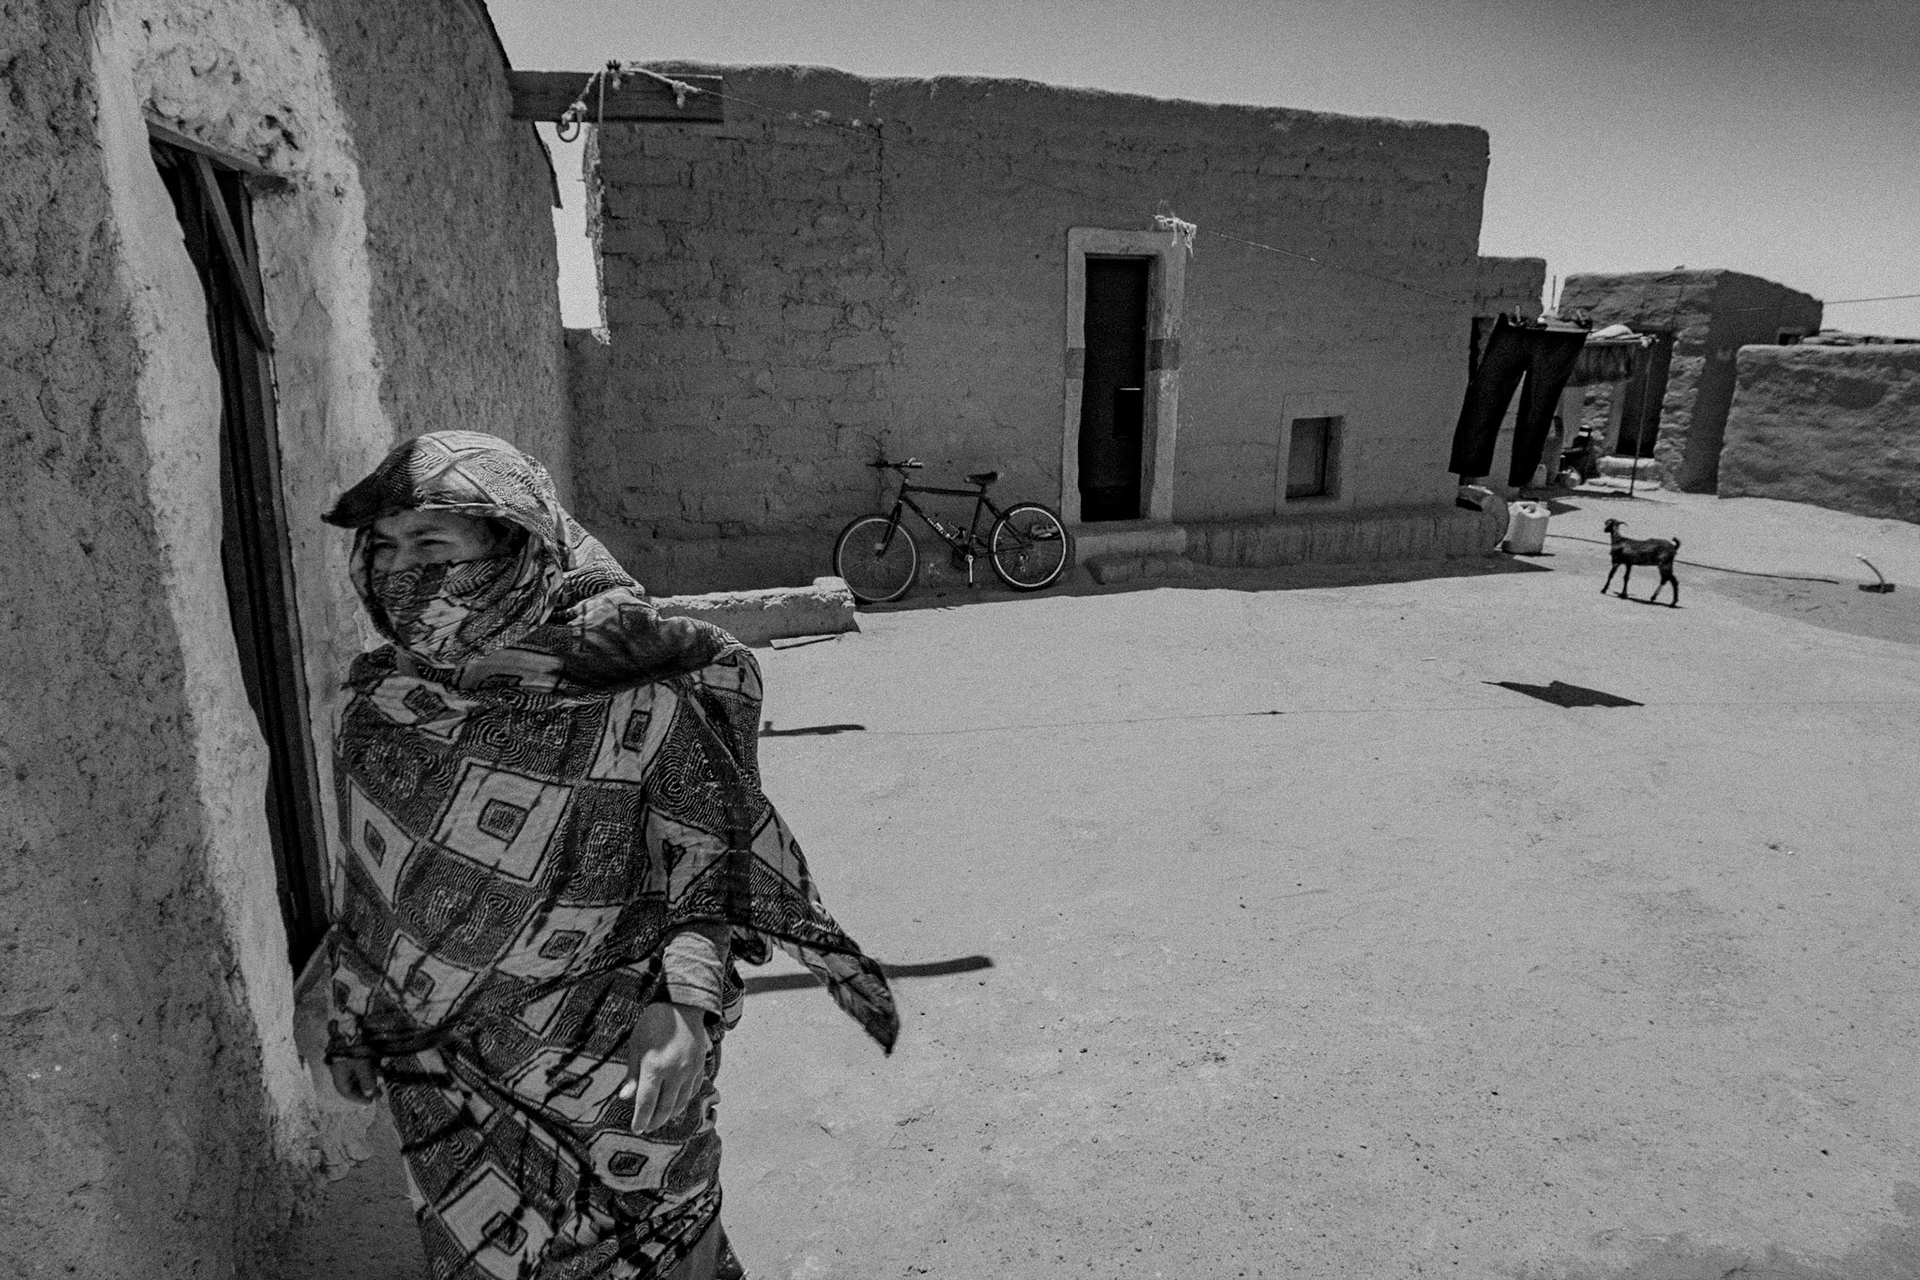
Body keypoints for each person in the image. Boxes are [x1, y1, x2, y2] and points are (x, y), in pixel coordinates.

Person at [320, 431, 896, 1280]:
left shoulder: (636, 693)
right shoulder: (379, 709)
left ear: (515, 548)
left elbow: (706, 855)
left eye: (433, 541)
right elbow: (370, 887)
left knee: (655, 1250)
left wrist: (686, 1006)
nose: (404, 569)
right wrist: (351, 1018)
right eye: (385, 545)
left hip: (614, 1052)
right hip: (441, 1066)